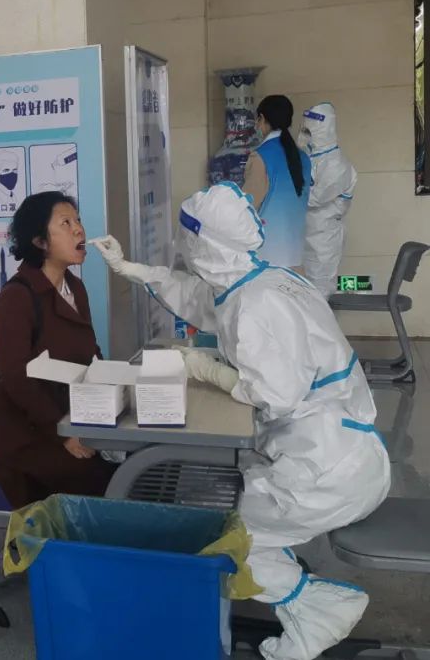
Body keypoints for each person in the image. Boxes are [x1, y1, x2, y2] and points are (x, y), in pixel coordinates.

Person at [91, 183, 390, 660]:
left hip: (325, 473)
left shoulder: (256, 305)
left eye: (187, 237)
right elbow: (205, 298)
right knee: (219, 500)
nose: (181, 245)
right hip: (341, 451)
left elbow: (277, 393)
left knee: (211, 526)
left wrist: (207, 369)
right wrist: (133, 269)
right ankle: (284, 591)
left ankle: (316, 608)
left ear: (204, 243)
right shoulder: (264, 280)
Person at [0, 192, 115, 509]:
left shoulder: (75, 288)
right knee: (98, 477)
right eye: (65, 223)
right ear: (40, 241)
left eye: (78, 221)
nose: (79, 229)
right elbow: (16, 378)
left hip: (66, 414)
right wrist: (63, 434)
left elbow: (91, 353)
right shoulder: (17, 296)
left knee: (125, 463)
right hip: (22, 426)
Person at [240, 95, 312, 269]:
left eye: (257, 120)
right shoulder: (303, 157)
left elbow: (248, 205)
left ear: (262, 118)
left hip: (268, 254)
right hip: (296, 251)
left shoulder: (261, 156)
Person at [300, 102, 357, 297]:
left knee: (319, 292)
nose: (305, 136)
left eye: (309, 132)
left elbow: (314, 198)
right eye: (304, 131)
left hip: (323, 240)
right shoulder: (312, 158)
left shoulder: (336, 164)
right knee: (303, 293)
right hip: (305, 235)